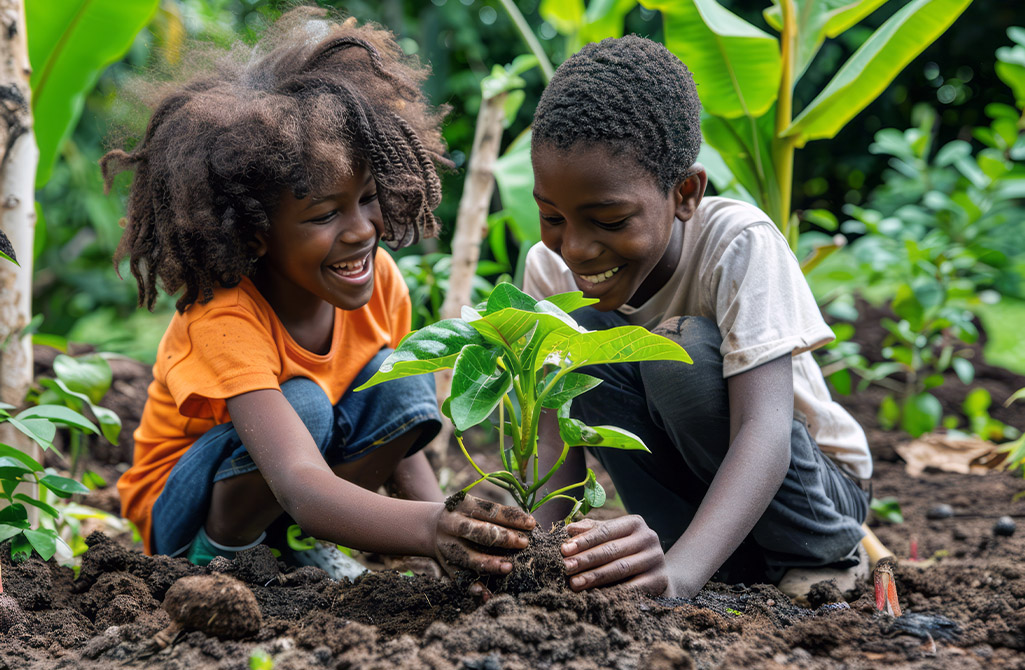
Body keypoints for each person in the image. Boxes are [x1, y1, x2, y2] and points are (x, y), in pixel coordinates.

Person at [105, 8, 533, 584]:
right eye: (325, 214)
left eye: (368, 197)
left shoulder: (380, 282)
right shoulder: (224, 317)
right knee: (303, 403)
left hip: (296, 496)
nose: (360, 230)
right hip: (181, 513)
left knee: (402, 378)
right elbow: (300, 480)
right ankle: (224, 557)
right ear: (257, 232)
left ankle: (294, 546)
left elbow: (402, 441)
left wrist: (445, 548)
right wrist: (430, 527)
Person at [523, 35, 871, 599]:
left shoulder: (738, 244)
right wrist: (540, 562)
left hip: (813, 496)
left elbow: (764, 431)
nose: (578, 248)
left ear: (685, 192)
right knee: (584, 351)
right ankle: (717, 567)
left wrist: (680, 578)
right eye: (552, 216)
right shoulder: (549, 272)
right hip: (698, 512)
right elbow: (554, 437)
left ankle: (818, 564)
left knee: (675, 355)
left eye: (609, 220)